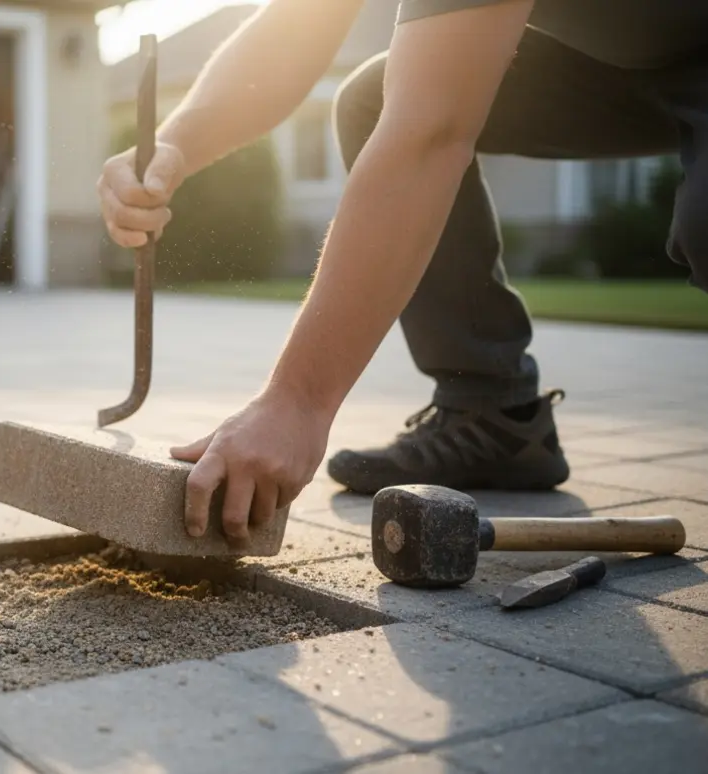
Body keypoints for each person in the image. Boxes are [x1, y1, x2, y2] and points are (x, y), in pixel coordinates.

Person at [96, 0, 708, 547]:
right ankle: (490, 413)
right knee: (376, 98)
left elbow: (431, 133)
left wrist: (297, 403)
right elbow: (293, 27)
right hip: (628, 64)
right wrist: (175, 144)